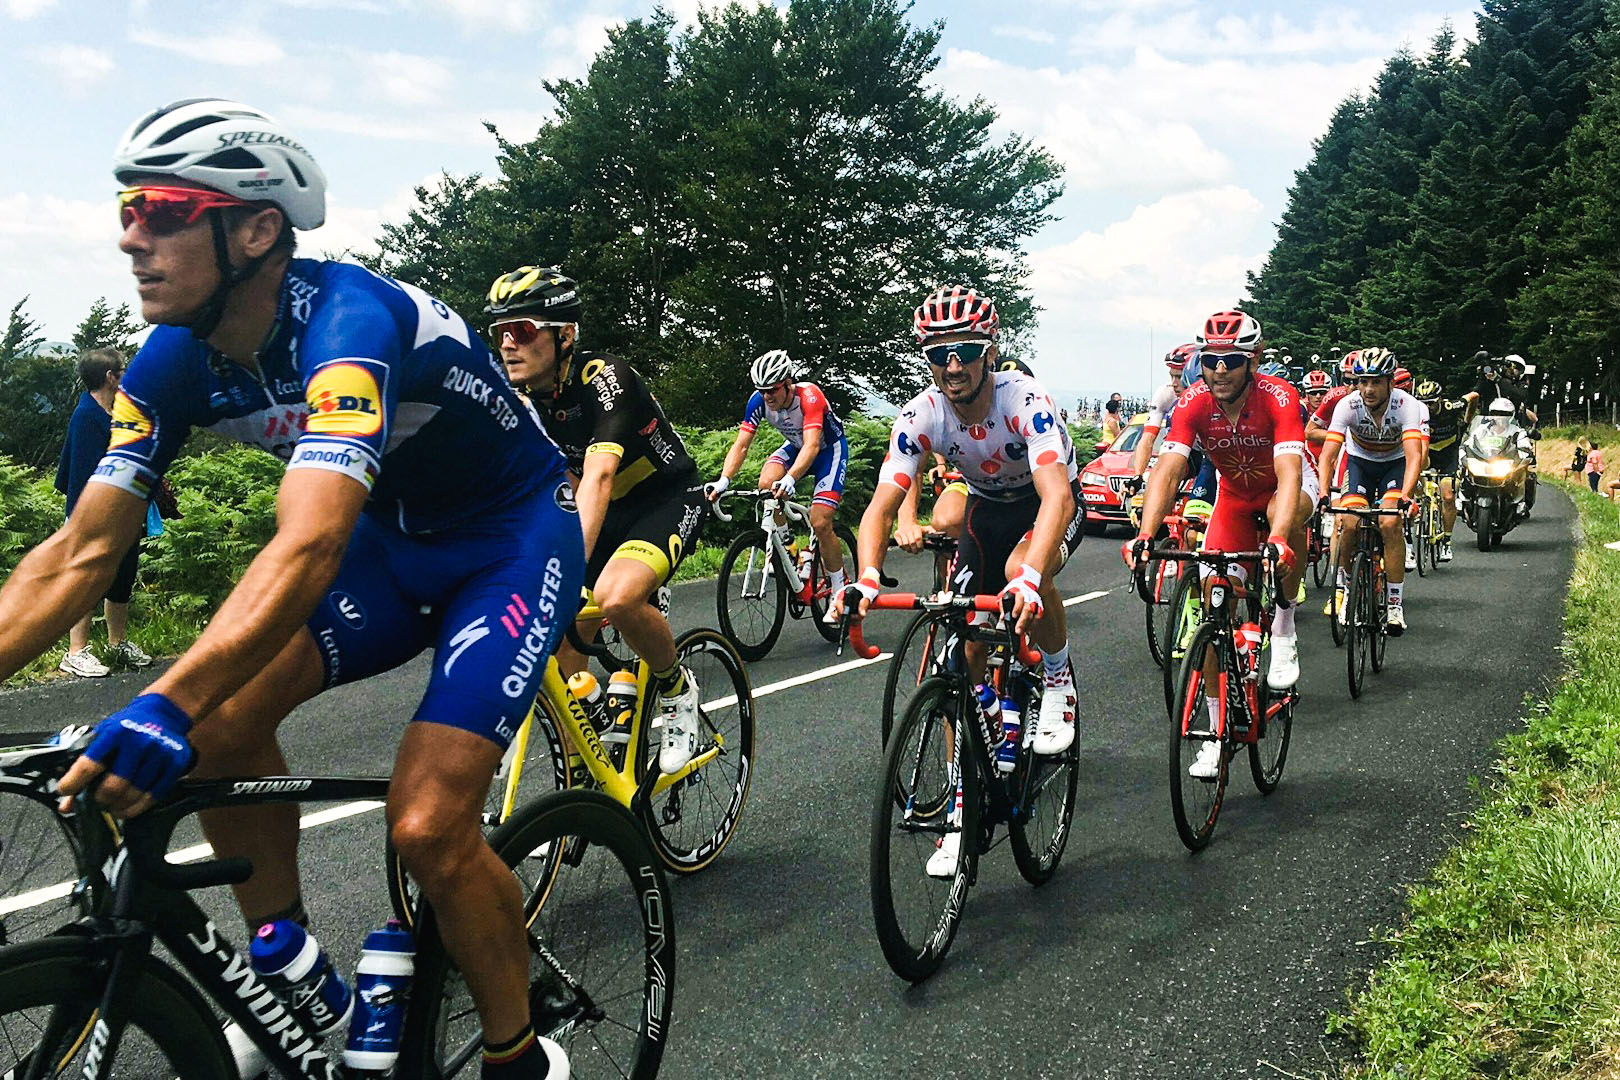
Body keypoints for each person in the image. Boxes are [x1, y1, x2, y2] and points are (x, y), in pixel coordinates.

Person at [0, 99, 577, 1079]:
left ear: (258, 229)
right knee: (219, 729)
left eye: (166, 208)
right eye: (128, 209)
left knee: (429, 822)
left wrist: (160, 701)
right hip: (391, 543)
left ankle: (518, 1052)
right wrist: (184, 707)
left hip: (506, 543)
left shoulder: (349, 320)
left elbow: (308, 542)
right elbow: (79, 554)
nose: (131, 235)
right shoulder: (171, 359)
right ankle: (290, 973)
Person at [832, 284, 1083, 876]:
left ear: (988, 352)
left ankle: (1057, 672)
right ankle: (959, 806)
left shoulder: (1025, 400)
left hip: (1047, 506)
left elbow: (1056, 499)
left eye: (965, 349)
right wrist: (867, 576)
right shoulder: (922, 414)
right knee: (962, 651)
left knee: (1028, 571)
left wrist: (1026, 579)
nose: (952, 364)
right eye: (938, 353)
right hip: (987, 509)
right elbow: (880, 507)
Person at [490, 264, 707, 773]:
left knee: (616, 596)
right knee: (561, 633)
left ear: (564, 336)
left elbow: (600, 476)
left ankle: (676, 687)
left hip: (664, 499)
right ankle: (584, 774)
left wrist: (564, 571)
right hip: (597, 509)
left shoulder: (605, 378)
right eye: (499, 331)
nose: (507, 344)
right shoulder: (520, 402)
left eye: (522, 329)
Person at [1126, 309, 1314, 779]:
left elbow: (1290, 473)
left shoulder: (1279, 396)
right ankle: (1214, 734)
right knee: (1214, 605)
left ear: (1254, 360)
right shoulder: (1191, 402)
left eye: (1231, 361)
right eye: (1211, 360)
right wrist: (1146, 535)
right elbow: (1168, 470)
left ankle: (1285, 625)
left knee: (1280, 521)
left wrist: (1277, 541)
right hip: (1233, 494)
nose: (1220, 370)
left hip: (1284, 490)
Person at [707, 349, 847, 617]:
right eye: (762, 390)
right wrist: (724, 481)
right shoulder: (758, 402)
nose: (767, 396)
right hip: (796, 446)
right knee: (766, 483)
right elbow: (742, 446)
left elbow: (813, 445)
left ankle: (840, 591)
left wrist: (791, 478)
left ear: (788, 383)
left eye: (772, 389)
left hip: (828, 450)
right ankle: (790, 548)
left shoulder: (809, 396)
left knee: (820, 521)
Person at [52, 347, 155, 676]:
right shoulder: (87, 417)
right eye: (121, 371)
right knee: (88, 580)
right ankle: (75, 652)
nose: (125, 375)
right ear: (111, 377)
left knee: (122, 576)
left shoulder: (115, 411)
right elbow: (80, 477)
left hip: (122, 511)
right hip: (93, 516)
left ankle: (117, 644)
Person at [1317, 348, 1427, 635]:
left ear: (1390, 382)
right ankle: (1345, 587)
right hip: (1360, 464)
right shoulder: (1347, 405)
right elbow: (1329, 454)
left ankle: (1394, 605)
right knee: (1348, 522)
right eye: (1362, 381)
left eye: (1376, 382)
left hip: (1394, 465)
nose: (1368, 389)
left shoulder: (1407, 405)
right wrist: (1323, 493)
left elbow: (1414, 455)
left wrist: (1406, 494)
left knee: (1390, 522)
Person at [1414, 378, 1471, 562]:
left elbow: (1473, 396)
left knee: (1447, 495)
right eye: (1423, 404)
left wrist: (1466, 421)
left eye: (1430, 403)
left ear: (1439, 400)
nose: (1427, 408)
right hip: (1427, 452)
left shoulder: (1450, 407)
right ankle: (1422, 503)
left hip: (1448, 454)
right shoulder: (1415, 413)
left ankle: (1446, 541)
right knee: (1414, 477)